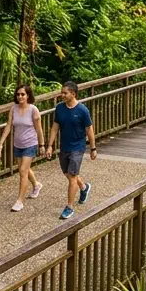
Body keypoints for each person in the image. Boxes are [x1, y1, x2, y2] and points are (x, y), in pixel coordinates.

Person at [45, 80, 96, 220]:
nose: (62, 95)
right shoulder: (59, 108)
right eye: (62, 92)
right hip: (64, 147)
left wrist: (93, 148)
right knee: (68, 173)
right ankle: (84, 187)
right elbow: (55, 128)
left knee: (72, 177)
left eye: (65, 93)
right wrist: (50, 145)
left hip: (77, 147)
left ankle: (69, 207)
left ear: (73, 94)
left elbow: (89, 129)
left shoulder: (82, 110)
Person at [0, 83, 44, 212]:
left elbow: (39, 129)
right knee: (24, 169)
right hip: (18, 144)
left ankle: (19, 201)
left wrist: (42, 145)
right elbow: (9, 126)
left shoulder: (33, 110)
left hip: (30, 144)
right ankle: (36, 185)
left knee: (22, 171)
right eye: (18, 94)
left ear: (28, 96)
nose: (20, 96)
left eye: (23, 94)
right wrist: (0, 144)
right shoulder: (13, 109)